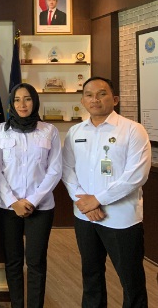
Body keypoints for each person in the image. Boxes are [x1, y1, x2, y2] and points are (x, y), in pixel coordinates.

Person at [62, 76, 151, 308]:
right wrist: (84, 203)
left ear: (115, 99)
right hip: (85, 217)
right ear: (82, 101)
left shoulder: (133, 130)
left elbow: (136, 175)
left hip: (122, 219)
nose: (95, 99)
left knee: (131, 280)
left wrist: (98, 200)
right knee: (91, 276)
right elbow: (67, 169)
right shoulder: (75, 132)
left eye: (102, 94)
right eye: (89, 95)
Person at [0, 83, 62, 308]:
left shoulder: (49, 130)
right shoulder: (0, 131)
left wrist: (32, 200)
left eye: (28, 99)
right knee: (13, 261)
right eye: (17, 100)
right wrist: (13, 201)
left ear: (35, 102)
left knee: (36, 261)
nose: (22, 104)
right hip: (7, 206)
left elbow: (55, 169)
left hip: (40, 207)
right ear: (11, 104)